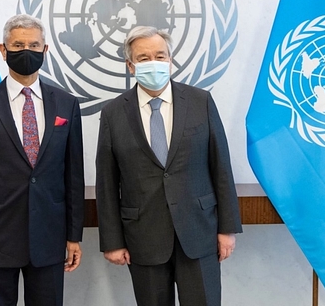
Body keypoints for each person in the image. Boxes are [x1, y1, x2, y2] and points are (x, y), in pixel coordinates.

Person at [95, 25, 242, 306]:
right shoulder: (113, 113)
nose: (154, 63)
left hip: (200, 234)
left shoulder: (201, 102)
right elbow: (107, 182)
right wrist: (112, 241)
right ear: (130, 65)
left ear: (171, 61)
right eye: (144, 57)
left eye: (160, 56)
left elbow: (221, 166)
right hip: (143, 237)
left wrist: (227, 229)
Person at [0, 14, 85, 306]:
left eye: (33, 45)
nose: (26, 51)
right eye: (17, 45)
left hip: (49, 238)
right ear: (3, 50)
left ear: (45, 50)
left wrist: (73, 235)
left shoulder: (66, 104)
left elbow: (73, 176)